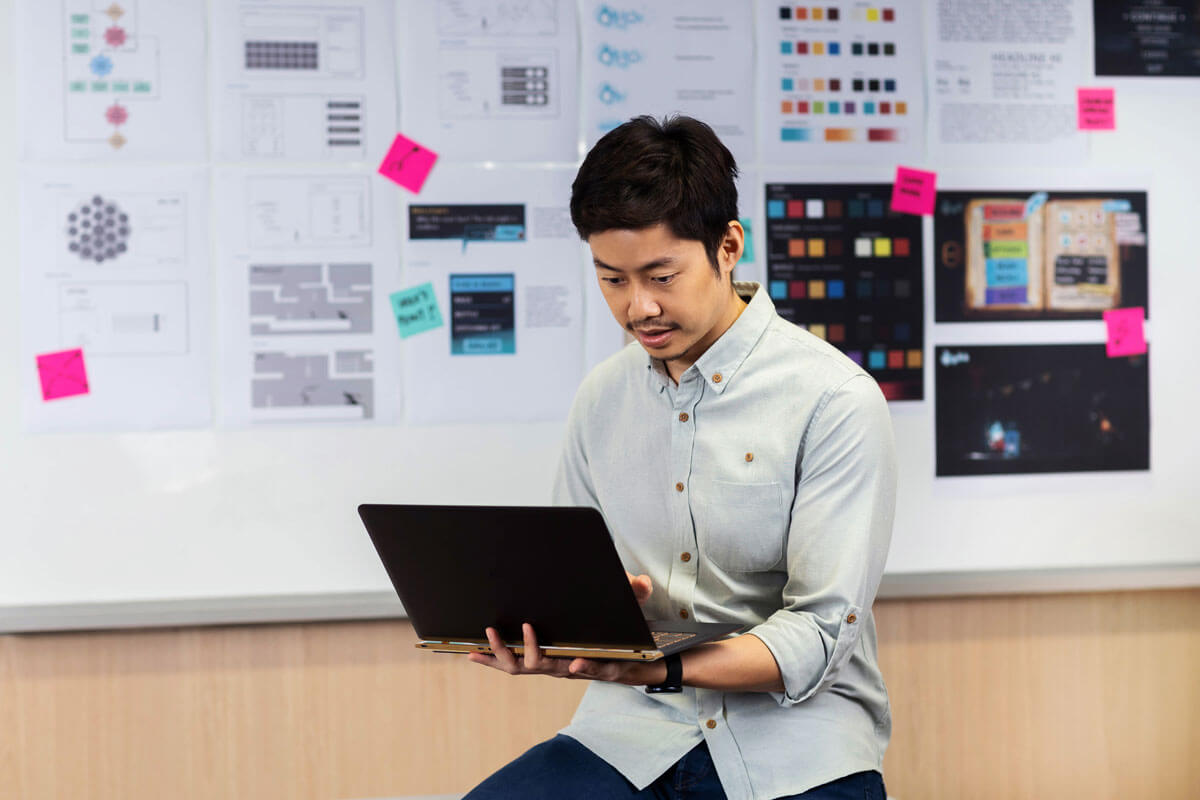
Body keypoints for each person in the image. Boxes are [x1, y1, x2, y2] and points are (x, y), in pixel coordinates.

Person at [464, 115, 897, 799]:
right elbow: (573, 581)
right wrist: (560, 627)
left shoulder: (834, 400)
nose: (639, 308)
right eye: (612, 280)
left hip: (795, 746)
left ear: (728, 247)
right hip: (630, 733)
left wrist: (665, 667)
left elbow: (818, 635)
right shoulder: (603, 399)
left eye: (662, 276)